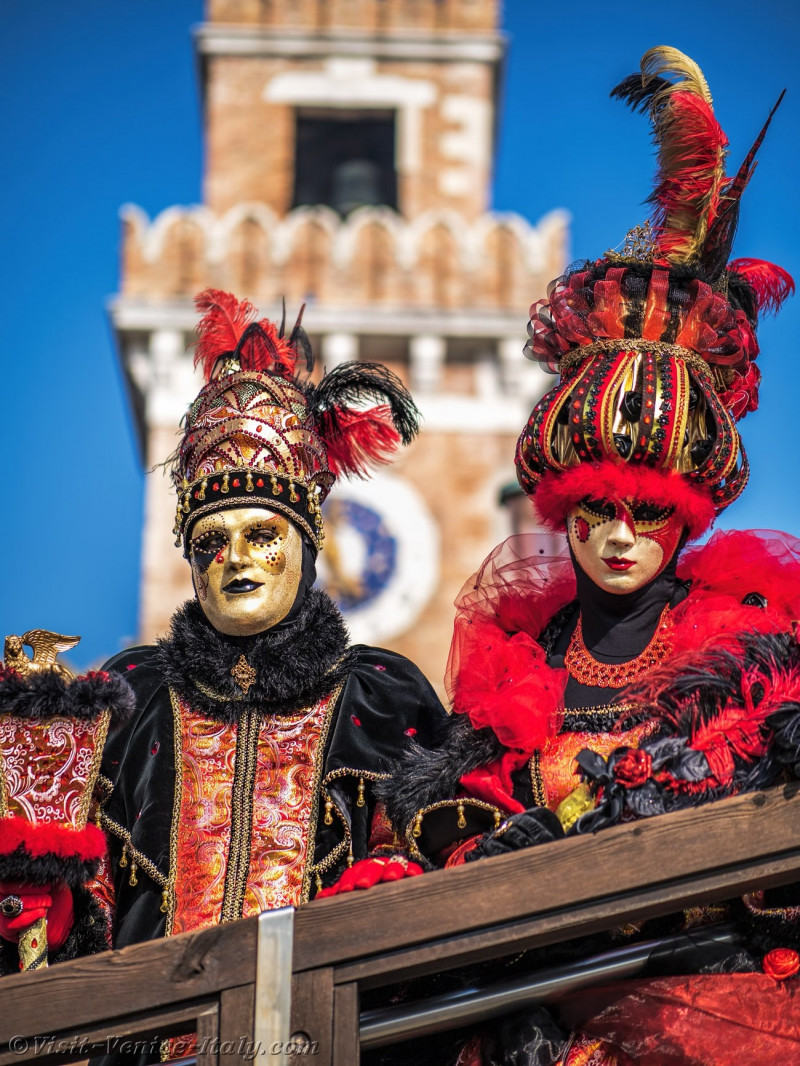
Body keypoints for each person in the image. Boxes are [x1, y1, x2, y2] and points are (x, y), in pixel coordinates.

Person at [383, 47, 800, 1065]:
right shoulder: (517, 661)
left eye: (648, 515)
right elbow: (465, 825)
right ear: (560, 505)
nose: (618, 537)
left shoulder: (746, 647)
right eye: (595, 508)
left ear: (687, 517)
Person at [0, 289, 447, 981]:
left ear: (309, 544)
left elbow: (441, 880)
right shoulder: (134, 698)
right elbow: (80, 918)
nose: (236, 558)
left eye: (262, 536)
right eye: (213, 541)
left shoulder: (382, 700)